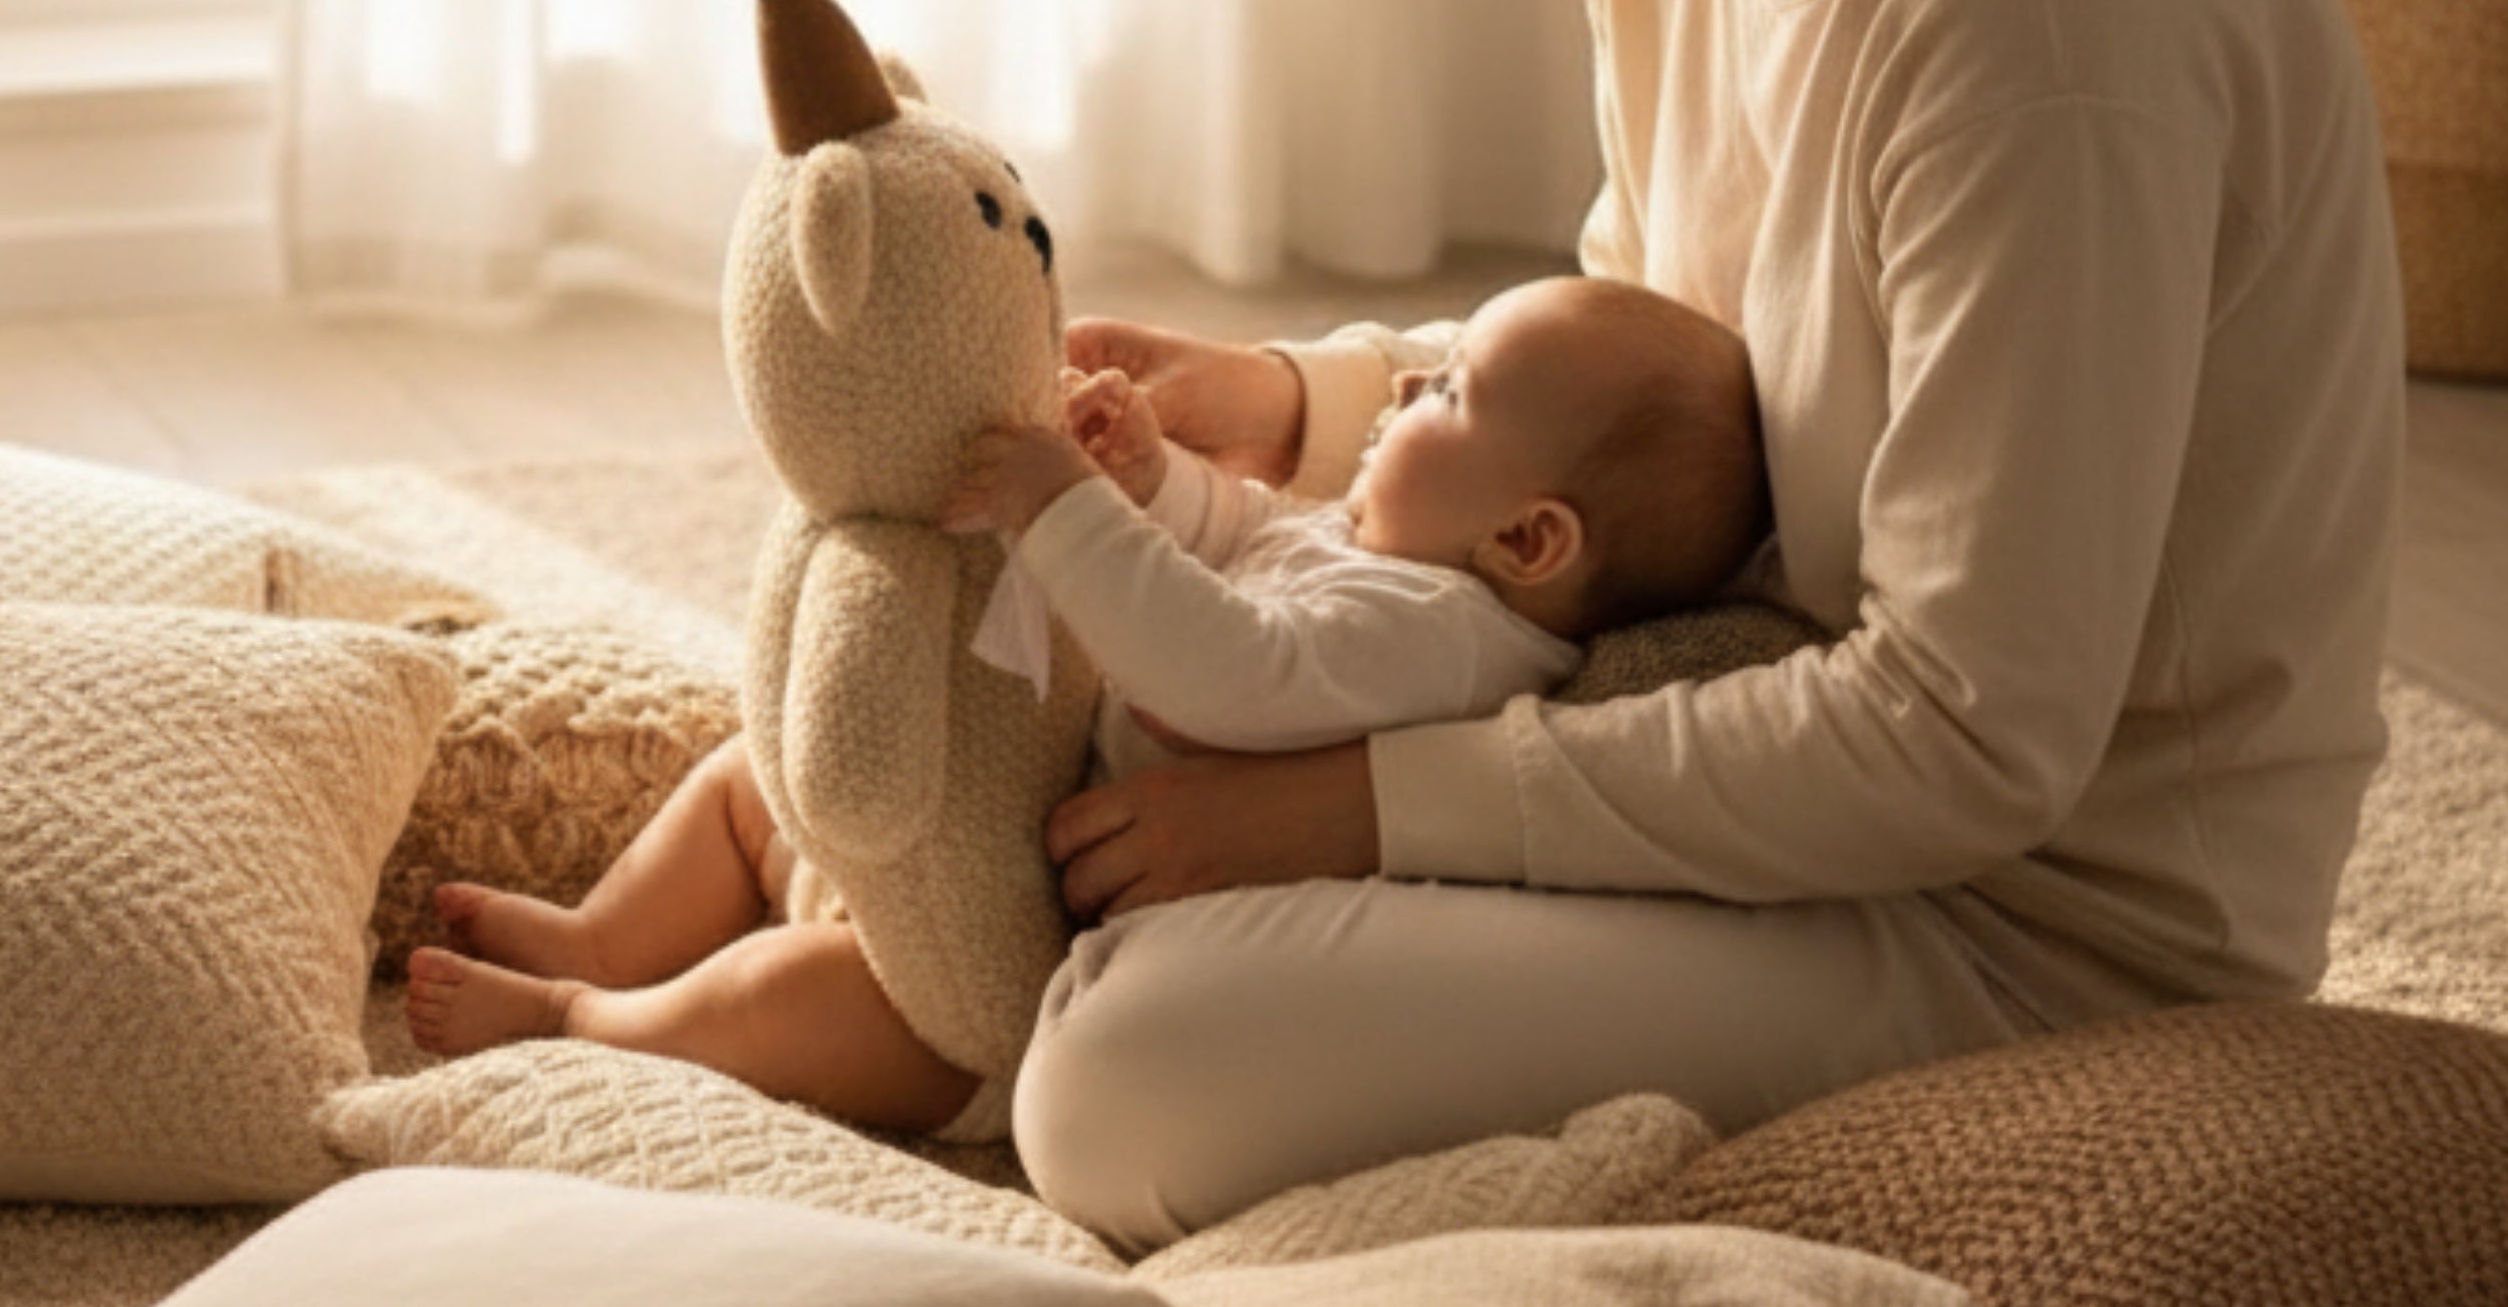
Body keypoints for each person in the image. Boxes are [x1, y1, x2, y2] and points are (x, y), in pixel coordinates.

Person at [1011, 0, 2404, 1251]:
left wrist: (1353, 808)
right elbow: (1636, 402)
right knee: (1088, 748)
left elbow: (1961, 736)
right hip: (1754, 750)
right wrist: (1295, 411)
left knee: (1122, 1075)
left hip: (2032, 936)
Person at [400, 272, 1771, 1124]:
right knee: (757, 777)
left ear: (1530, 541)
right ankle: (600, 940)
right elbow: (1230, 545)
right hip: (995, 820)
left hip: (1019, 946)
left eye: (1446, 393)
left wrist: (1066, 513)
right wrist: (1153, 482)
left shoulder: (1449, 643)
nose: (1405, 383)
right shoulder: (1383, 552)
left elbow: (1222, 674)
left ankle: (598, 1027)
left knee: (821, 996)